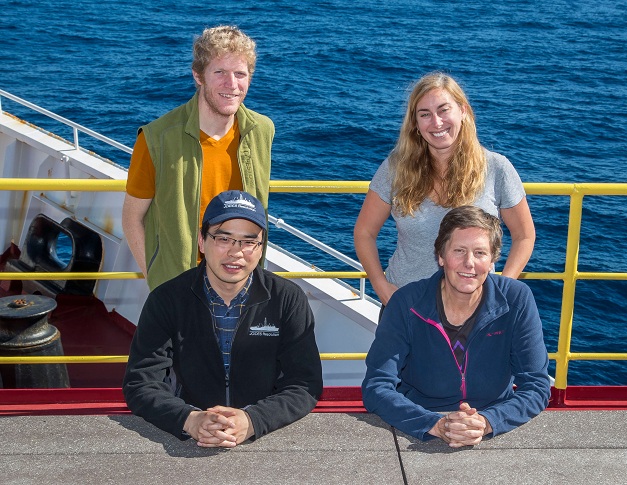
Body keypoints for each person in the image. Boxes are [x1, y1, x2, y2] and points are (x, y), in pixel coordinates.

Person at [123, 190, 322, 448]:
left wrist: (252, 420)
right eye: (223, 238)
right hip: (189, 431)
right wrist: (190, 419)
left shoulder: (287, 299)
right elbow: (140, 383)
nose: (236, 252)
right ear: (201, 241)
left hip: (263, 434)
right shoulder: (167, 299)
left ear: (261, 248)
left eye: (248, 242)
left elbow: (305, 383)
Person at [361, 206, 550, 448]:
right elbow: (376, 385)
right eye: (459, 251)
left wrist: (488, 421)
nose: (469, 263)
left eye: (480, 253)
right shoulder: (406, 303)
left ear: (492, 260)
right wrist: (434, 424)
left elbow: (536, 385)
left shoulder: (516, 299)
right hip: (422, 419)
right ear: (441, 256)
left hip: (493, 418)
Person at [354, 72, 535, 306]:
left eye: (443, 110)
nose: (437, 122)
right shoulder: (395, 169)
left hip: (473, 309)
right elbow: (364, 233)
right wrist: (383, 287)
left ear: (463, 111)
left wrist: (500, 290)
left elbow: (524, 236)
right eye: (425, 114)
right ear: (415, 123)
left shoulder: (496, 168)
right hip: (406, 305)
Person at [122, 25, 274, 290]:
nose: (231, 84)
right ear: (198, 76)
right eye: (220, 72)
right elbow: (132, 218)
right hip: (181, 285)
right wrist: (159, 285)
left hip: (241, 282)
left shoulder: (261, 131)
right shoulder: (156, 139)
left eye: (240, 73)